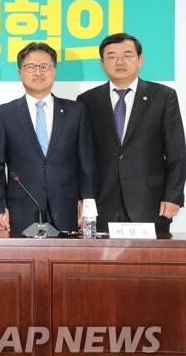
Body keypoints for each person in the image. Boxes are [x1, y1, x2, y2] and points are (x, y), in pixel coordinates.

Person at [77, 33, 185, 233]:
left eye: (127, 55)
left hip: (150, 203)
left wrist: (173, 196)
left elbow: (177, 152)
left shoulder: (163, 96)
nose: (119, 62)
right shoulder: (87, 100)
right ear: (102, 63)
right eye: (111, 56)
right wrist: (83, 198)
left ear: (140, 60)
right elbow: (82, 156)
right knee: (102, 254)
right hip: (102, 203)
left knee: (151, 255)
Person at [0, 42, 95, 233]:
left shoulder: (76, 111)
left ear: (54, 70)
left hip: (68, 208)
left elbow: (86, 163)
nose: (38, 72)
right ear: (20, 72)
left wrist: (87, 205)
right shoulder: (3, 114)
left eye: (45, 66)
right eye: (31, 67)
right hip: (20, 210)